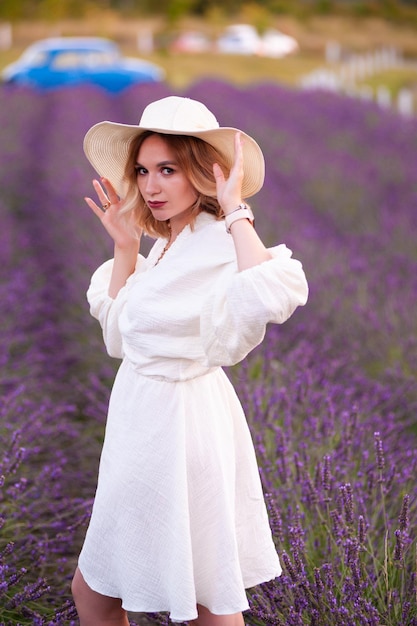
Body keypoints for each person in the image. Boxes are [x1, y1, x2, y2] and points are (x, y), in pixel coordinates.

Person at [71, 95, 308, 626]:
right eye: (142, 171)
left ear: (203, 173)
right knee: (113, 593)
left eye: (168, 170)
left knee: (186, 598)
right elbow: (120, 337)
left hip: (179, 426)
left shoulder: (219, 242)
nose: (150, 186)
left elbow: (273, 292)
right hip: (142, 419)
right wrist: (126, 250)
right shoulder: (168, 243)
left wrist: (235, 210)